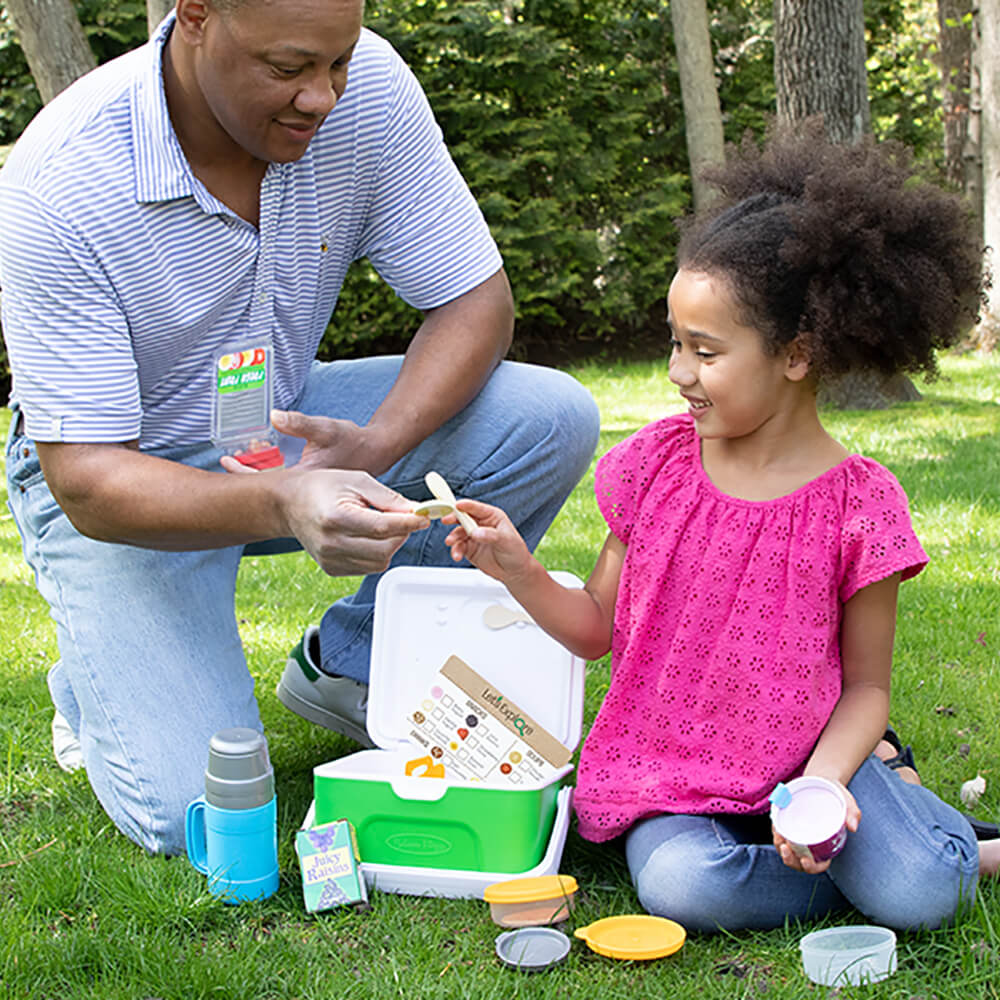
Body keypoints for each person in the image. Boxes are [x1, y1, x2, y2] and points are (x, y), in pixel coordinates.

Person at [0, 0, 599, 856]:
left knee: (546, 418)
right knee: (194, 817)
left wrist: (378, 442)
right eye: (287, 69)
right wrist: (286, 501)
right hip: (118, 471)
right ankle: (94, 678)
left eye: (338, 62)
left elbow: (475, 302)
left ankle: (353, 668)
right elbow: (88, 478)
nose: (321, 96)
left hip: (266, 419)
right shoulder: (61, 181)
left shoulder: (371, 92)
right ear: (195, 15)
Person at [441, 124, 1000, 933]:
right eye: (676, 344)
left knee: (922, 899)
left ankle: (921, 839)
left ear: (797, 354)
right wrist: (517, 569)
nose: (677, 373)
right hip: (669, 777)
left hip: (812, 762)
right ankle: (933, 843)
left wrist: (825, 785)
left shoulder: (860, 506)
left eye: (704, 351)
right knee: (681, 887)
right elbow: (596, 628)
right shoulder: (654, 467)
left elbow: (868, 687)